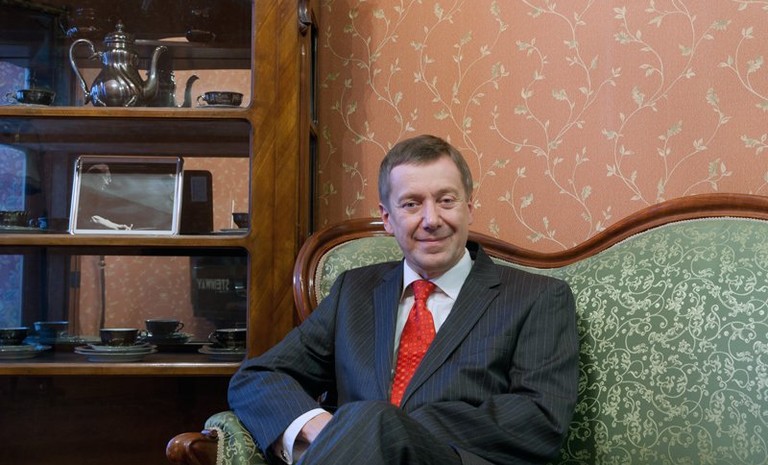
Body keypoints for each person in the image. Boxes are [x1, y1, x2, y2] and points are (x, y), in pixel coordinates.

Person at [228, 134, 579, 465]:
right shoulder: (354, 291)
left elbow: (541, 419)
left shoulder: (537, 297)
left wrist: (387, 426)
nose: (431, 220)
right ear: (387, 219)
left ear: (469, 208)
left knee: (374, 419)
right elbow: (258, 377)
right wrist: (326, 429)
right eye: (412, 204)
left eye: (446, 200)